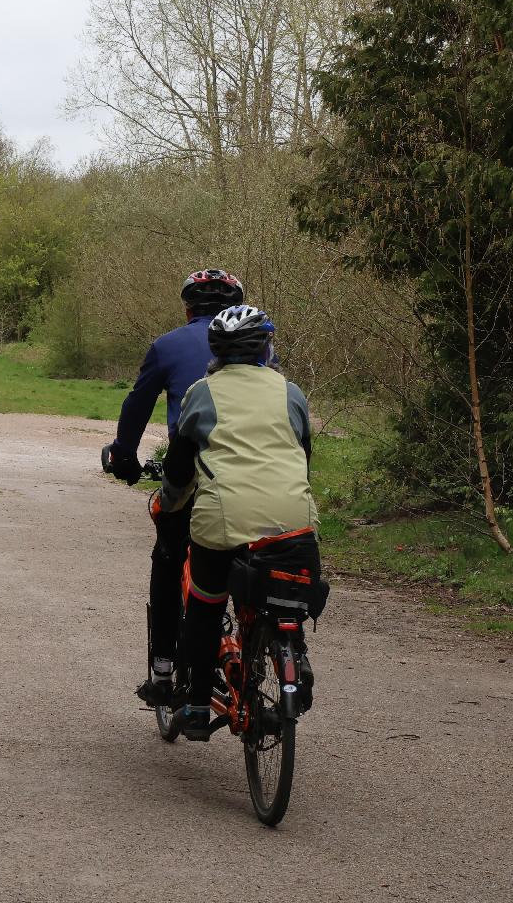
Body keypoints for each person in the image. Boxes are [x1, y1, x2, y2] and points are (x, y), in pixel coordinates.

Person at [156, 304, 317, 740]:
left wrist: (168, 504)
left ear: (217, 353)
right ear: (267, 347)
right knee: (285, 592)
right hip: (292, 520)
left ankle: (193, 705)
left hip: (223, 519)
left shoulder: (202, 393)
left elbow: (180, 466)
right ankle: (292, 651)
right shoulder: (292, 392)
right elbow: (303, 457)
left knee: (206, 604)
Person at [104, 268, 245, 706]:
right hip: (257, 476)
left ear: (187, 309)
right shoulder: (260, 346)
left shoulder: (166, 346)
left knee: (169, 558)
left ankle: (163, 670)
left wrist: (124, 456)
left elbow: (137, 406)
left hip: (195, 476)